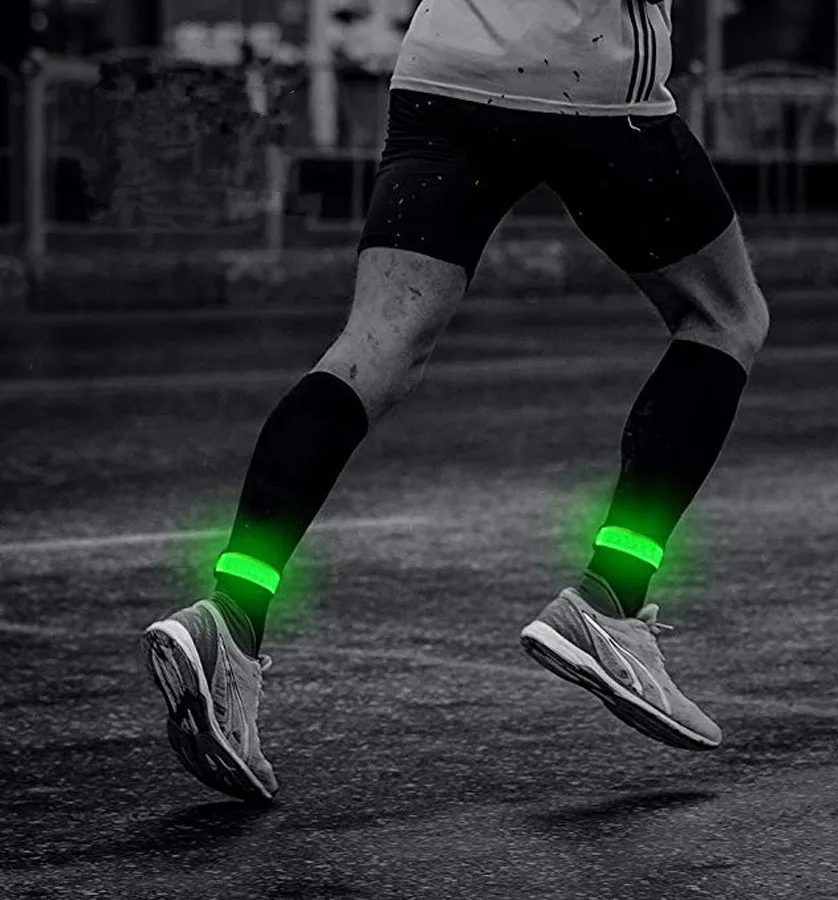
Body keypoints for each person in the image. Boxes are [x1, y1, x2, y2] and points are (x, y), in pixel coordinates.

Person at [141, 0, 769, 802]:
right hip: (584, 74)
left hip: (442, 68)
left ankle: (232, 615)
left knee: (374, 347)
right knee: (725, 316)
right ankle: (611, 597)